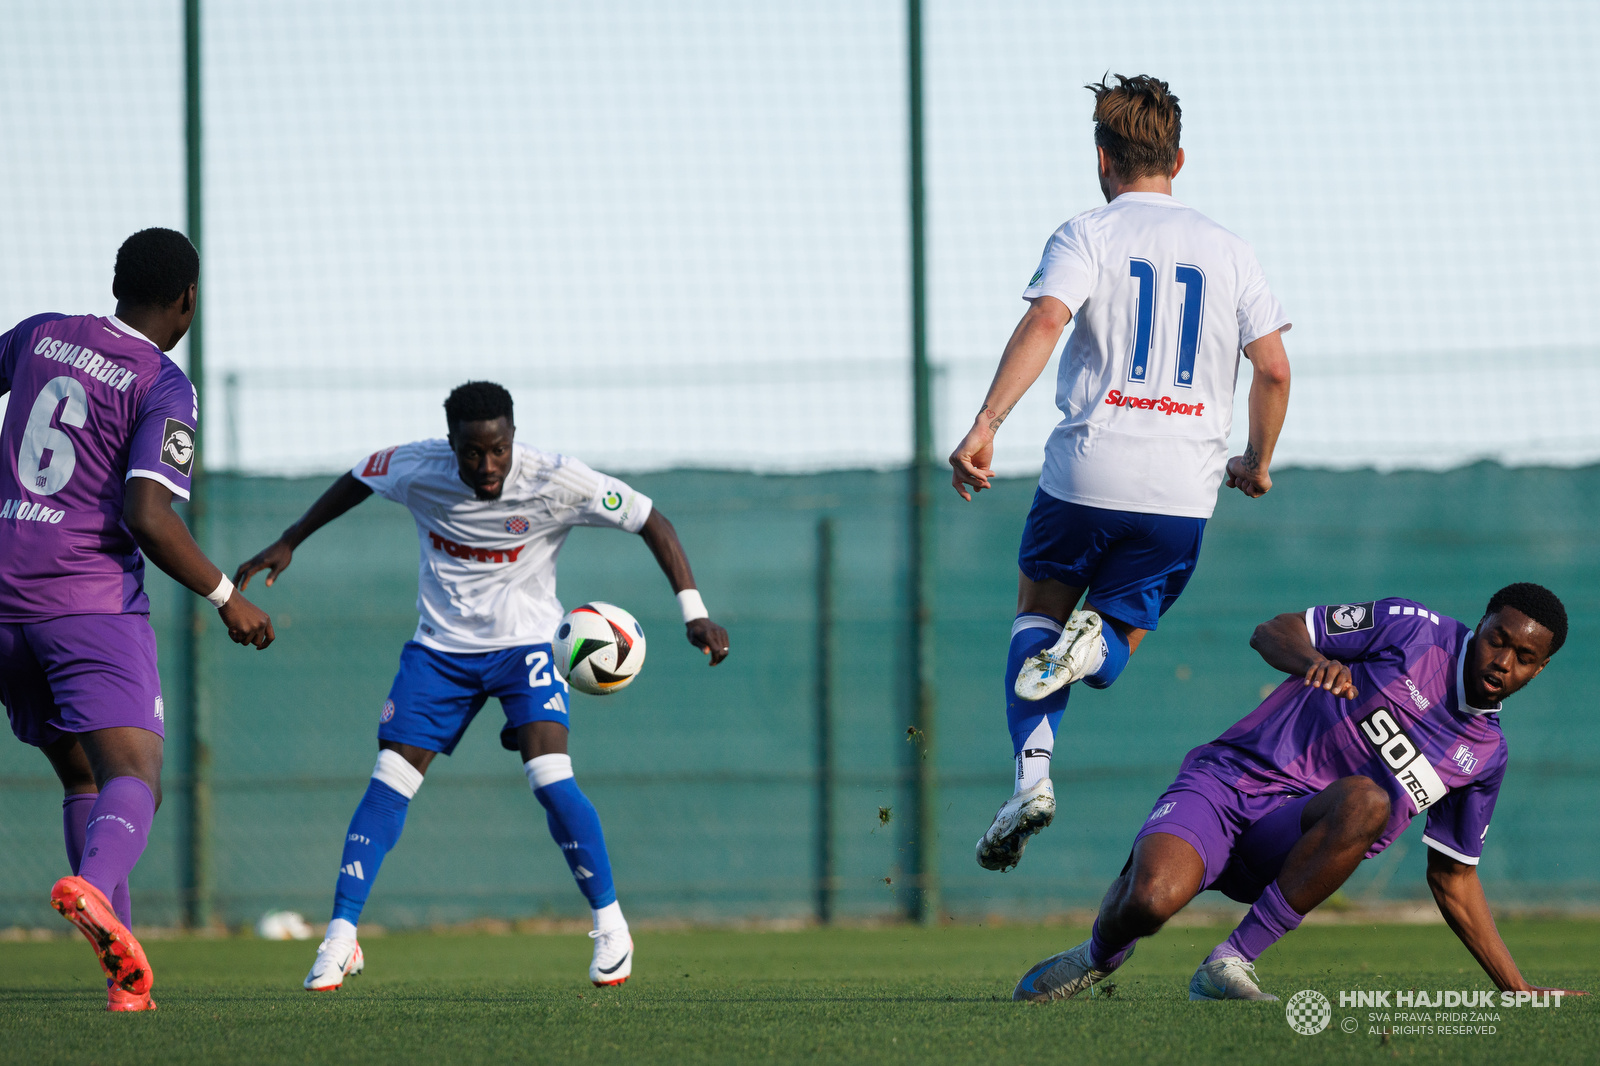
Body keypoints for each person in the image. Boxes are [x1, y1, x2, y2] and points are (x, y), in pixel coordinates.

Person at [234, 381, 730, 991]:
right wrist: (291, 539)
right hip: (441, 653)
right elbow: (359, 477)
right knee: (389, 782)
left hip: (528, 649)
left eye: (498, 450)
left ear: (513, 437)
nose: (486, 466)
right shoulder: (418, 465)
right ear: (452, 444)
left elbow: (652, 519)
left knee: (551, 779)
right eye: (472, 453)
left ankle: (612, 929)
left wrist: (694, 610)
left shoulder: (555, 478)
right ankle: (340, 938)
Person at [948, 75, 1293, 872]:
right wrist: (1256, 460)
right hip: (1183, 489)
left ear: (1102, 158)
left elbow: (1045, 319)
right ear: (1179, 158)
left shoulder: (1088, 233)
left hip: (1085, 473)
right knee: (1113, 644)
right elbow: (1272, 369)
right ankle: (1094, 651)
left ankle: (1031, 780)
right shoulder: (1231, 250)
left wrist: (986, 423)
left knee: (1037, 611)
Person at [1014, 583, 1587, 1002]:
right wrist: (1315, 662)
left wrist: (1517, 989)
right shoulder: (1413, 629)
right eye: (1497, 640)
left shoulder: (1485, 756)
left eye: (1524, 658)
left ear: (1539, 671)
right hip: (1228, 783)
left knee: (1367, 800)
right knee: (1148, 903)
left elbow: (1453, 877)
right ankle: (1096, 956)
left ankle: (1230, 964)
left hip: (1288, 846)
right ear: (1481, 623)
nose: (1503, 661)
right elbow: (1272, 631)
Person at [0, 228, 275, 1012]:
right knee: (136, 779)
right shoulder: (162, 384)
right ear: (187, 300)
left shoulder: (39, 334)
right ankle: (88, 885)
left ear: (117, 281)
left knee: (82, 775)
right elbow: (148, 516)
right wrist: (229, 597)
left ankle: (126, 983)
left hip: (5, 604)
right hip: (86, 605)